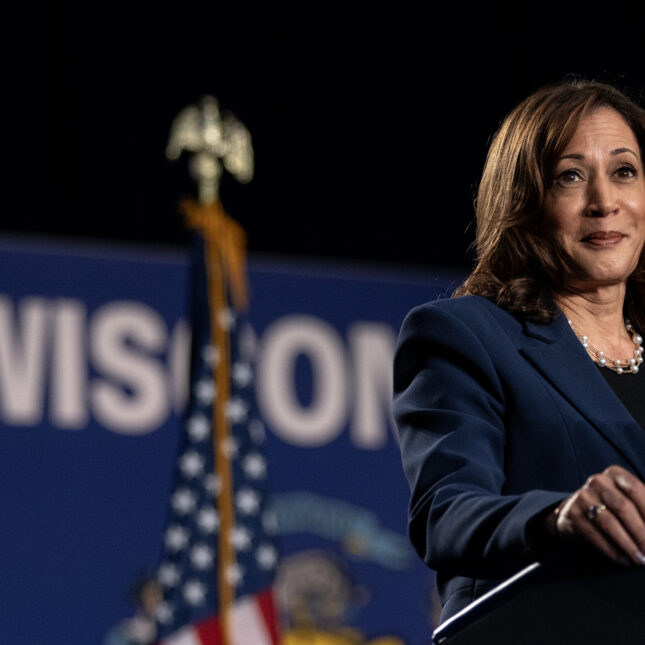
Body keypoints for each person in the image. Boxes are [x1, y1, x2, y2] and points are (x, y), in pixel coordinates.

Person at [392, 77, 645, 625]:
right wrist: (560, 517)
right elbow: (447, 514)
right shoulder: (465, 336)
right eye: (570, 177)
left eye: (624, 171)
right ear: (525, 202)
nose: (604, 202)